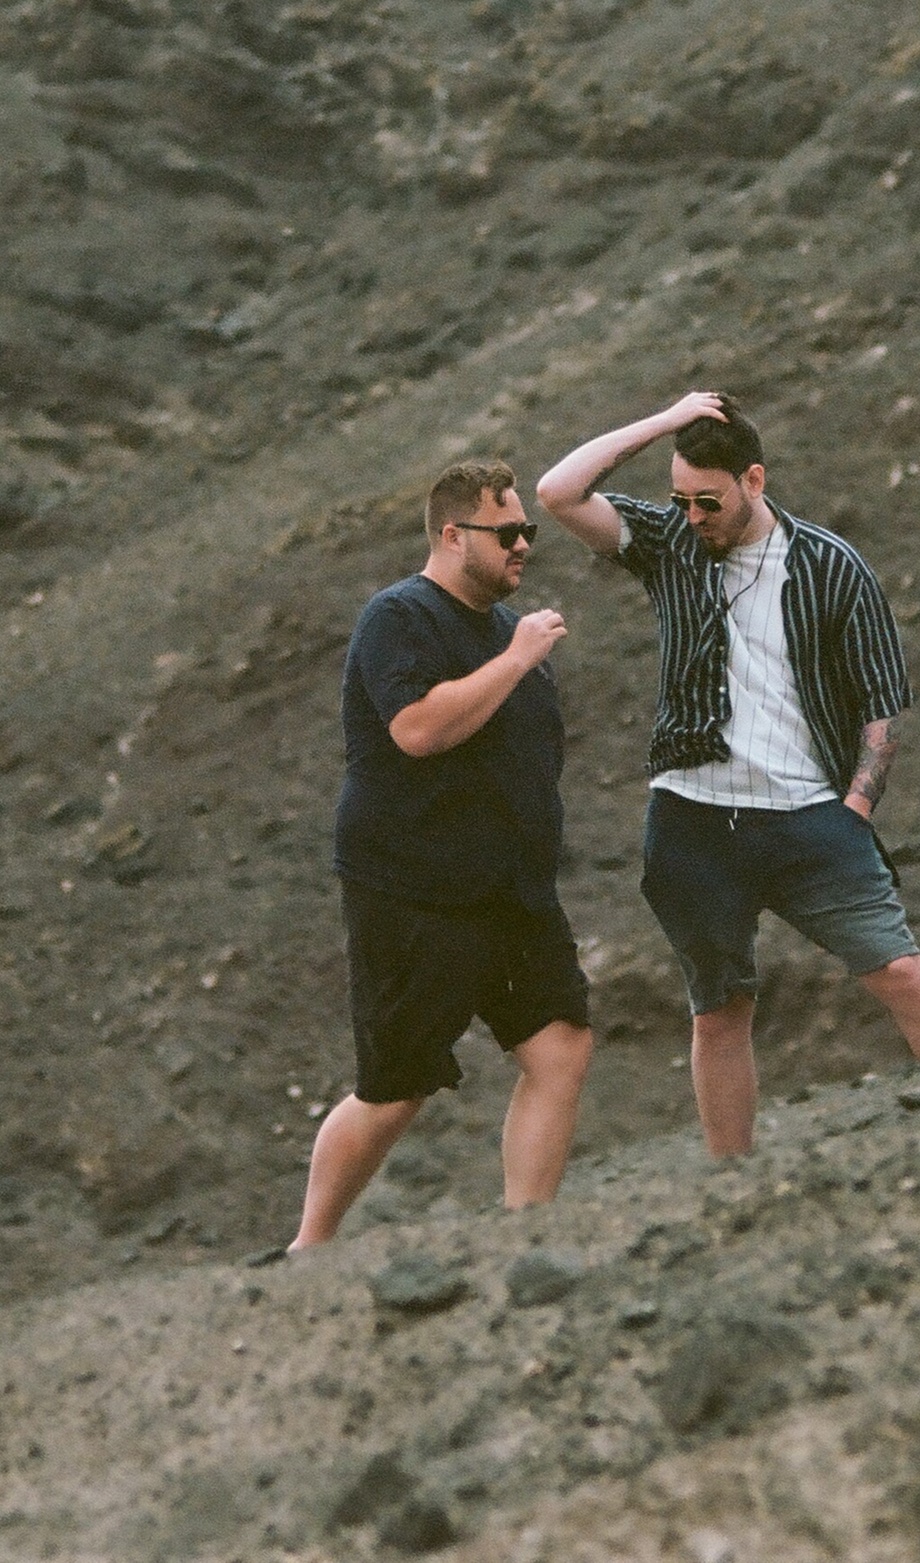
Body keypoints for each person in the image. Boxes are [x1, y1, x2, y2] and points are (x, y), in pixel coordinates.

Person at [536, 392, 920, 1154]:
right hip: (691, 819)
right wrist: (665, 422)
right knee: (718, 1010)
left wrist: (855, 805)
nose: (694, 516)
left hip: (809, 817)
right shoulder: (669, 542)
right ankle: (733, 1186)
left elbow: (883, 703)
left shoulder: (831, 565)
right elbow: (558, 492)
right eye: (681, 499)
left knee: (901, 972)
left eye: (708, 501)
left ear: (754, 479)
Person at [292, 460, 593, 1250]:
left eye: (527, 530)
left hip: (511, 891)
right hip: (414, 891)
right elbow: (418, 730)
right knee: (396, 1089)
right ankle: (308, 1247)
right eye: (509, 533)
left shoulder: (503, 629)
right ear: (454, 535)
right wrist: (518, 660)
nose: (525, 545)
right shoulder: (399, 617)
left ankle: (525, 1236)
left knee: (560, 1044)